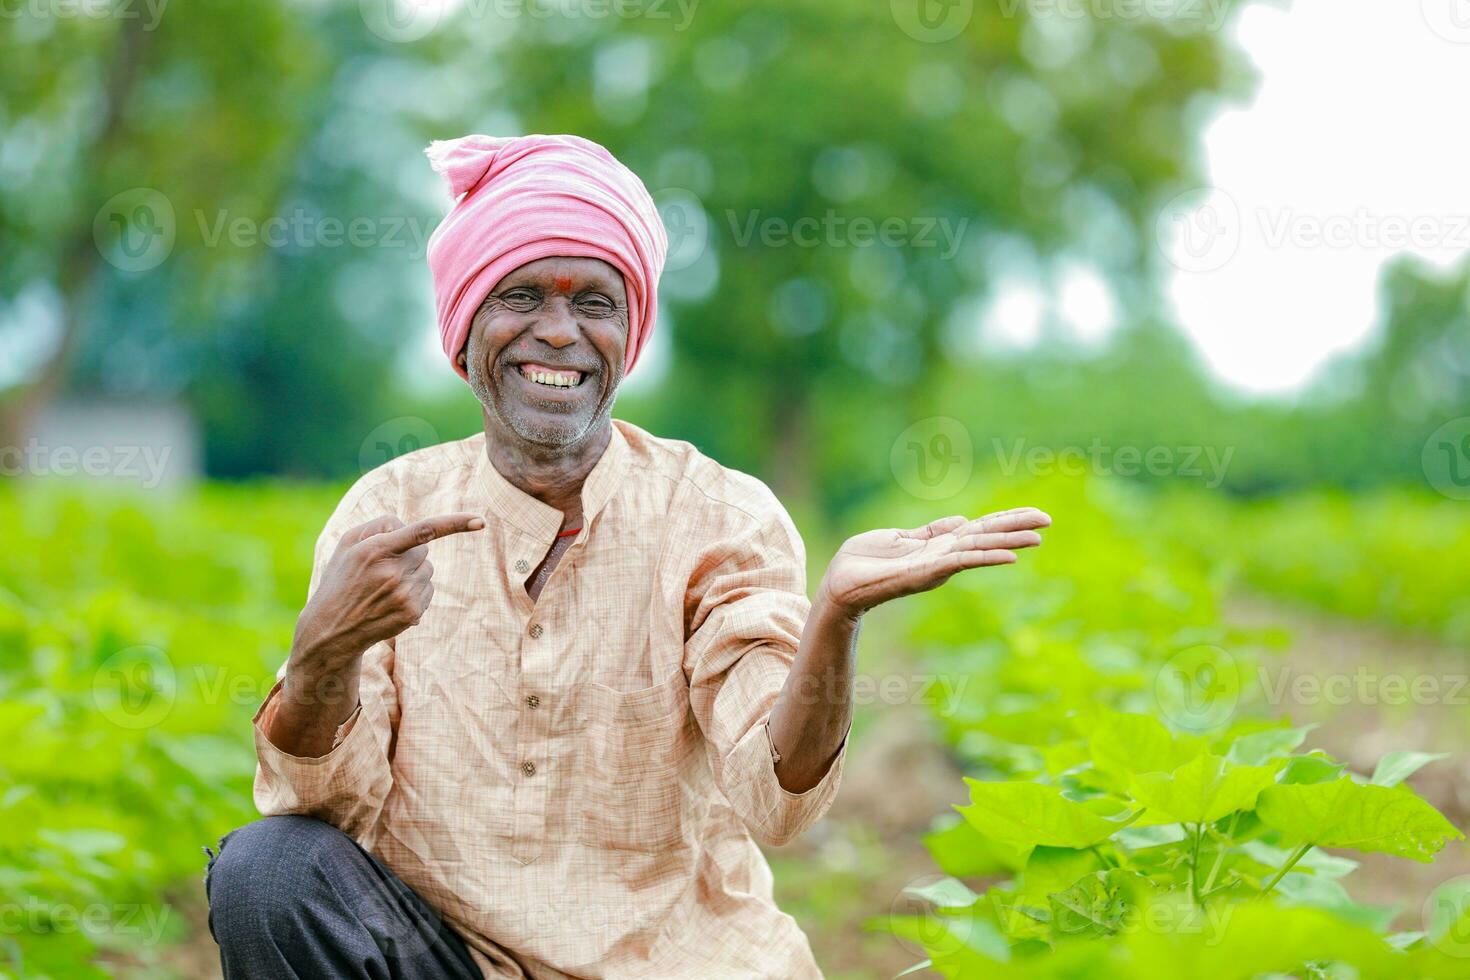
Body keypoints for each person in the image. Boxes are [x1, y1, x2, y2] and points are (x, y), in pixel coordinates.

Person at [203, 133, 1051, 978]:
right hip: (450, 959)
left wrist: (835, 617)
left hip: (670, 962)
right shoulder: (389, 514)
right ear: (464, 332)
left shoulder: (719, 516)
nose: (559, 332)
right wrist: (323, 653)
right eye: (522, 296)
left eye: (596, 303)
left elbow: (776, 800)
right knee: (265, 873)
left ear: (631, 332)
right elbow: (318, 810)